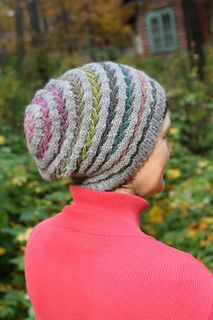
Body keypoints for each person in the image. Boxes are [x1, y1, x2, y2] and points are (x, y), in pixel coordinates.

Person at [23, 61, 213, 320]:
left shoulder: (39, 240)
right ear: (127, 154)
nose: (169, 150)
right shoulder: (185, 280)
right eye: (164, 136)